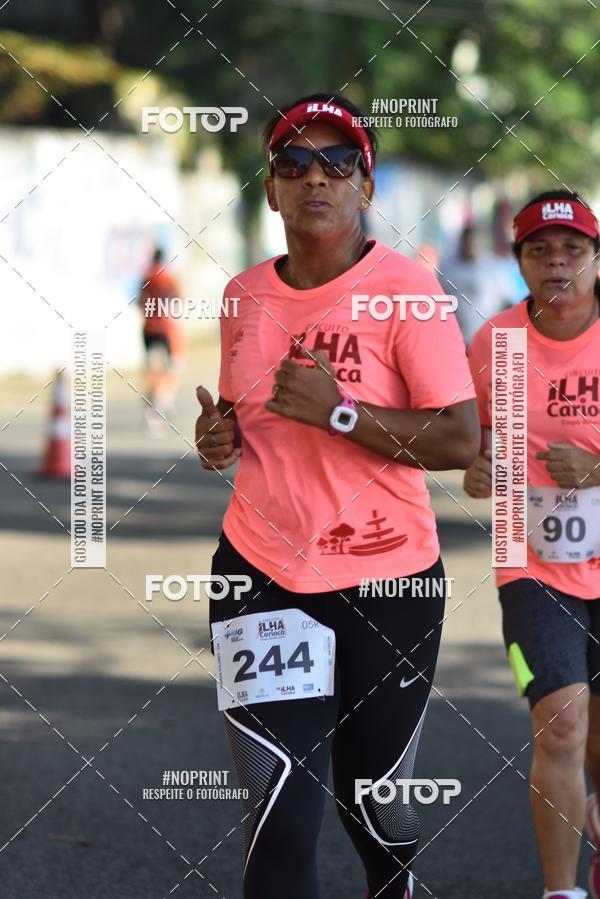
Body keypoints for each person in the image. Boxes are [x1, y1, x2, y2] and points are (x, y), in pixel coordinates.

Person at [195, 91, 480, 899]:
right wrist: (219, 440)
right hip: (259, 576)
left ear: (368, 183)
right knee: (278, 821)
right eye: (294, 162)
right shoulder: (244, 296)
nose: (315, 177)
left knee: (378, 814)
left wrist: (342, 411)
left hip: (388, 583)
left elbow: (461, 439)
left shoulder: (408, 293)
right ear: (271, 186)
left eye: (338, 161)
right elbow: (247, 424)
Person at [464, 190, 600, 899]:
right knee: (562, 725)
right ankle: (561, 891)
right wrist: (478, 463)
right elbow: (470, 435)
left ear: (595, 257)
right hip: (535, 562)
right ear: (517, 260)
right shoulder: (495, 343)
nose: (557, 265)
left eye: (573, 250)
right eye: (539, 251)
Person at [138, 247, 187, 434]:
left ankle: (154, 406)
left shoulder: (146, 277)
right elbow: (180, 300)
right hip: (166, 330)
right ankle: (161, 403)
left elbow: (140, 302)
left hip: (149, 329)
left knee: (153, 370)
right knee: (171, 368)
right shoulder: (169, 278)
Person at [440, 223, 512, 345]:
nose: (470, 246)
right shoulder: (447, 269)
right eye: (466, 242)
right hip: (458, 340)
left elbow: (507, 302)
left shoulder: (493, 267)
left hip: (488, 339)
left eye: (473, 242)